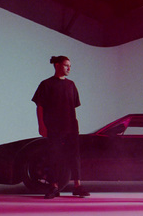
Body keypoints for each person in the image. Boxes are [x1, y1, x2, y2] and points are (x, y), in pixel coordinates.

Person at [32, 55, 90, 199]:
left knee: (74, 156)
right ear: (57, 65)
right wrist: (42, 125)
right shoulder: (46, 84)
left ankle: (77, 186)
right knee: (54, 156)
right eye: (66, 65)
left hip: (71, 127)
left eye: (70, 65)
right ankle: (54, 187)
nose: (69, 68)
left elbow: (73, 106)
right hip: (54, 127)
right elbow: (40, 107)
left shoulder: (71, 85)